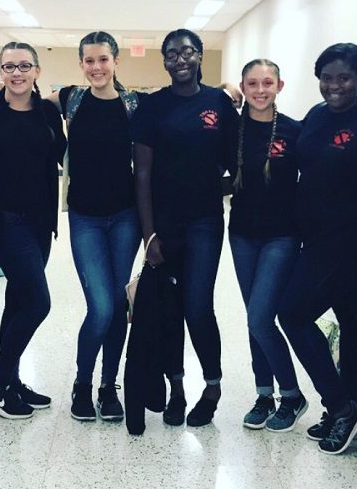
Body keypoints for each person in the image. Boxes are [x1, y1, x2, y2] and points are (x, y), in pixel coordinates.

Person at [130, 28, 238, 427]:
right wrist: (149, 234)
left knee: (197, 305)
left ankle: (212, 386)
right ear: (164, 61)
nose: (179, 59)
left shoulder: (219, 104)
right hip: (165, 224)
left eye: (187, 52)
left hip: (206, 221)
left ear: (199, 57)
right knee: (169, 310)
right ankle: (176, 389)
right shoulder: (152, 107)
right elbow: (142, 174)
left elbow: (235, 161)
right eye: (171, 54)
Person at [278, 43, 357, 454]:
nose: (334, 85)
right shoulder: (318, 117)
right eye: (326, 77)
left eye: (344, 77)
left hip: (349, 241)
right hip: (315, 237)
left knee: (294, 314)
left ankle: (339, 406)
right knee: (354, 322)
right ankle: (352, 412)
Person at [49, 32, 140, 422]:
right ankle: (82, 383)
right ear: (81, 64)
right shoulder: (71, 97)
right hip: (85, 216)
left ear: (116, 61)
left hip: (125, 216)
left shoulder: (134, 104)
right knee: (101, 306)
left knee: (118, 306)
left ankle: (108, 386)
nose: (96, 67)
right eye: (89, 60)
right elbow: (27, 100)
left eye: (103, 59)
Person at [0, 42, 67, 419]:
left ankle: (11, 381)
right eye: (9, 66)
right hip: (3, 220)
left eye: (24, 65)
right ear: (0, 72)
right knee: (38, 301)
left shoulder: (46, 111)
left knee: (17, 301)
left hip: (40, 221)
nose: (17, 72)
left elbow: (57, 153)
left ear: (37, 71)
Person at [226, 60, 304, 432]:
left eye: (267, 83)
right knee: (253, 319)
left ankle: (292, 395)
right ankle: (263, 393)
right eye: (252, 83)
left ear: (280, 85)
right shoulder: (232, 129)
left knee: (260, 317)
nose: (260, 90)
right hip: (241, 234)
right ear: (243, 86)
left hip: (281, 236)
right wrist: (226, 93)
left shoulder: (294, 130)